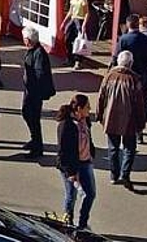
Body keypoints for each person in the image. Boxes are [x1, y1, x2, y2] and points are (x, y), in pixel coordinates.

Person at [97, 50, 145, 190]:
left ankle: (114, 174)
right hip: (129, 120)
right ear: (130, 63)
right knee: (129, 148)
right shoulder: (134, 80)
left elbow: (101, 97)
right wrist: (141, 123)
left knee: (113, 147)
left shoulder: (109, 77)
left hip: (111, 117)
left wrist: (100, 115)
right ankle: (125, 174)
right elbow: (139, 104)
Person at [56, 94, 97, 231]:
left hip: (85, 162)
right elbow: (63, 151)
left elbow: (88, 137)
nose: (89, 109)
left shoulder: (85, 120)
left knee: (90, 194)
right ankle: (68, 223)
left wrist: (91, 151)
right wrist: (70, 173)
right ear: (79, 108)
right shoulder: (66, 125)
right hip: (70, 166)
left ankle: (83, 223)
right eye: (87, 107)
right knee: (71, 195)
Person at [22, 26, 56, 157]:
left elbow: (39, 74)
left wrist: (32, 86)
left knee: (33, 117)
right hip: (29, 90)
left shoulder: (39, 53)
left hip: (34, 92)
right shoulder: (32, 50)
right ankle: (34, 139)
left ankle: (37, 147)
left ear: (29, 40)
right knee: (26, 114)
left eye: (25, 38)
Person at [112, 14, 147, 81]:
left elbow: (116, 56)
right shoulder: (146, 39)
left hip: (126, 73)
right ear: (138, 24)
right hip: (141, 72)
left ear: (127, 24)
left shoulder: (123, 39)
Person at [62, 0, 90, 70]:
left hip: (80, 20)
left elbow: (87, 13)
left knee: (79, 41)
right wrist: (64, 22)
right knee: (67, 39)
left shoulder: (83, 0)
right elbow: (70, 11)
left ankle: (78, 61)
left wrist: (84, 24)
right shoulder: (73, 0)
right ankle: (69, 58)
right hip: (73, 20)